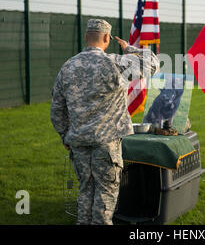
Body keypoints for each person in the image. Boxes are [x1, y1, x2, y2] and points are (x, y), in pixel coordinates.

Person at [50, 18, 159, 225]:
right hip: (106, 144)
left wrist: (64, 134)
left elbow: (57, 108)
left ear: (86, 37)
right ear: (107, 38)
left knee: (85, 192)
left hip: (79, 142)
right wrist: (129, 49)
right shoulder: (115, 63)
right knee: (105, 198)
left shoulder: (67, 67)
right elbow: (152, 62)